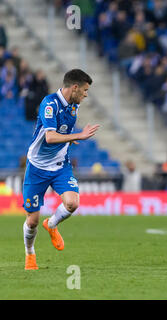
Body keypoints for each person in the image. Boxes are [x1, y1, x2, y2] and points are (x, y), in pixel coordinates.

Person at [22, 69, 100, 270]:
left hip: (60, 165)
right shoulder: (50, 104)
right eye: (84, 90)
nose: (85, 94)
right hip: (37, 167)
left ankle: (52, 224)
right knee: (32, 221)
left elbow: (63, 132)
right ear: (74, 87)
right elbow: (49, 137)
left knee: (72, 203)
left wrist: (71, 141)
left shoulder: (74, 106)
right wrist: (78, 137)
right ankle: (30, 253)